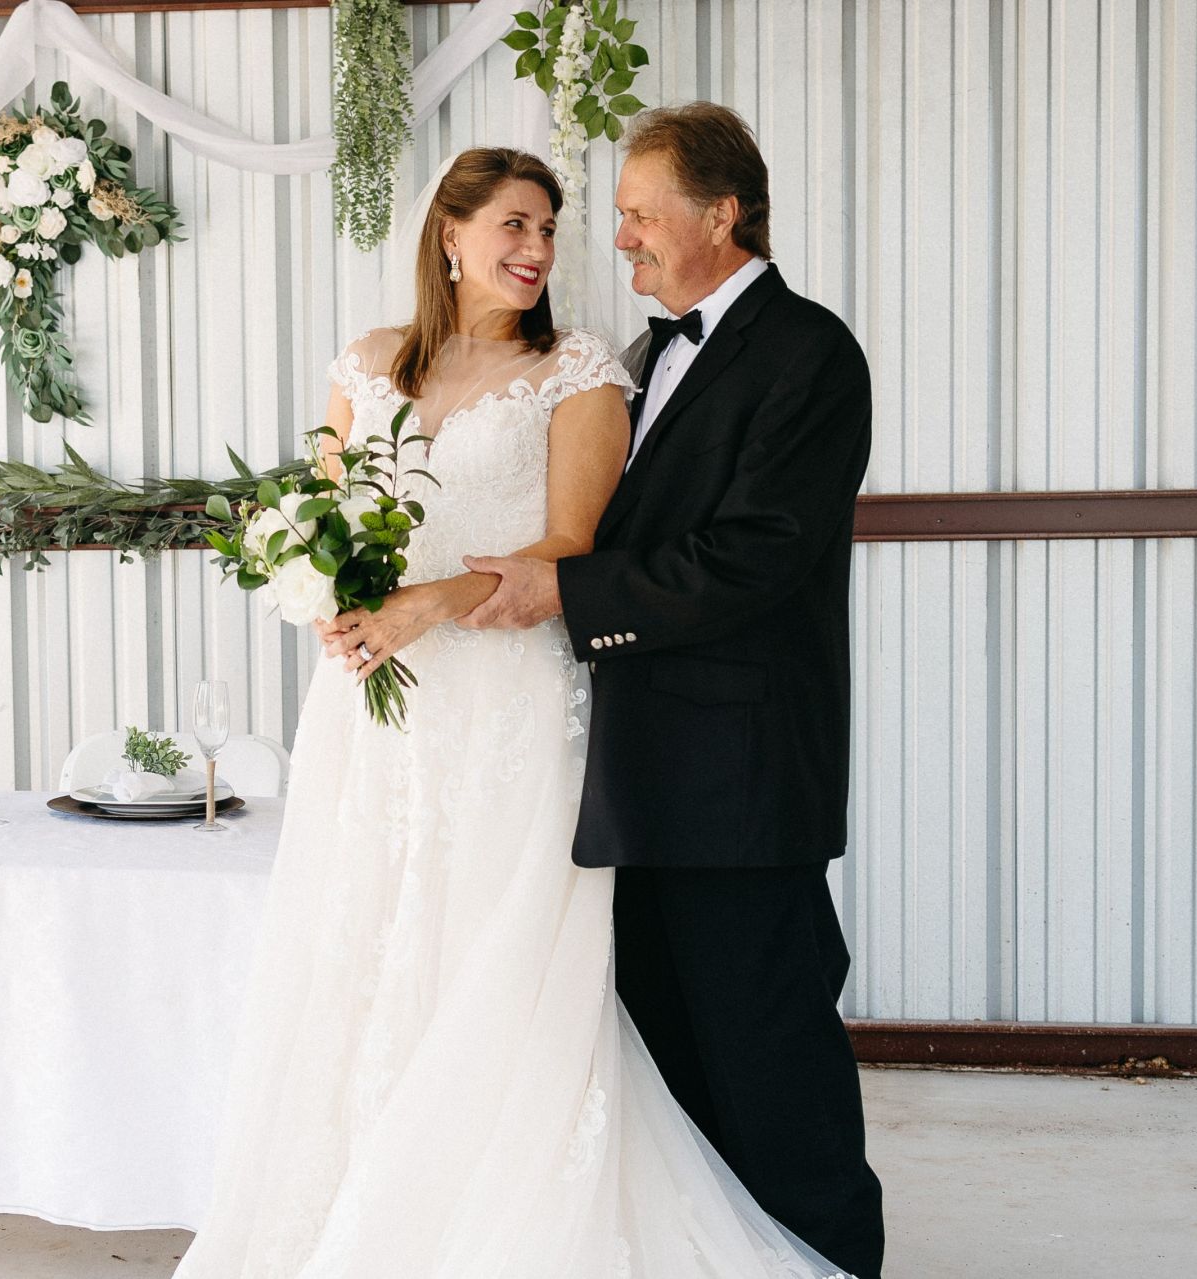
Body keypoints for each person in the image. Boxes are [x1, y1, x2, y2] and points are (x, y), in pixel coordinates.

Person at [174, 145, 852, 1278]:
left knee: (510, 961)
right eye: (518, 226)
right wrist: (324, 590)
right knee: (370, 953)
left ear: (720, 214)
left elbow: (578, 549)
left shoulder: (591, 369)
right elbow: (324, 514)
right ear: (450, 233)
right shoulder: (371, 360)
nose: (547, 248)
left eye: (562, 225)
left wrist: (434, 602)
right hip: (379, 713)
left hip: (511, 706)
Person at [460, 103, 885, 1279]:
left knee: (769, 1058)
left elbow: (758, 551)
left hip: (741, 783)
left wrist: (569, 591)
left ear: (723, 212)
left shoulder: (809, 353)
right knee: (672, 1066)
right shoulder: (647, 358)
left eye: (642, 215)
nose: (626, 240)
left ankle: (831, 1263)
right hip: (638, 777)